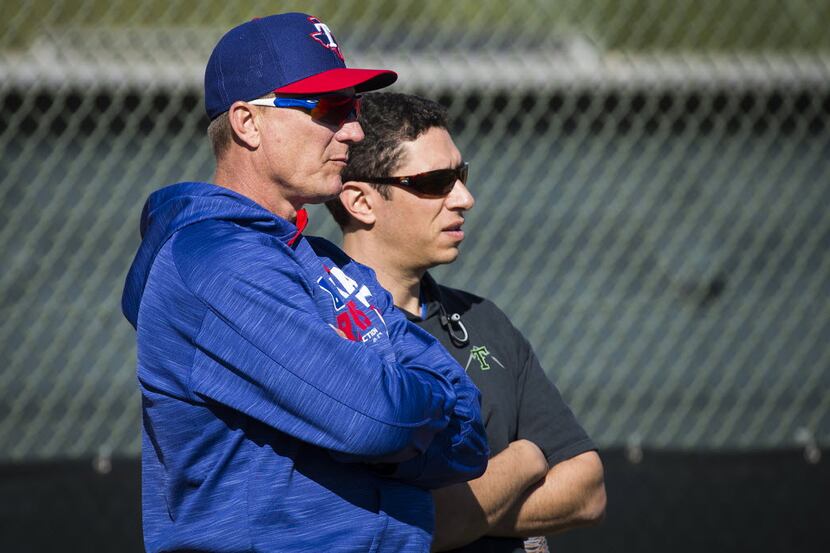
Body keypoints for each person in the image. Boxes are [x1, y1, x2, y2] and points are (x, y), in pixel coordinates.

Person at [121, 14, 488, 553]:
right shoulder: (213, 261)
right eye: (330, 108)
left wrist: (379, 413)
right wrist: (400, 414)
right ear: (248, 123)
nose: (356, 130)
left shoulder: (320, 261)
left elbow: (468, 429)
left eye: (355, 108)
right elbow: (376, 420)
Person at [326, 92, 607, 553]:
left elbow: (587, 490)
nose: (465, 198)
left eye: (461, 175)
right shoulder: (318, 329)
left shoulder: (482, 318)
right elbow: (376, 527)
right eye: (435, 182)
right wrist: (523, 461)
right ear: (361, 201)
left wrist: (461, 514)